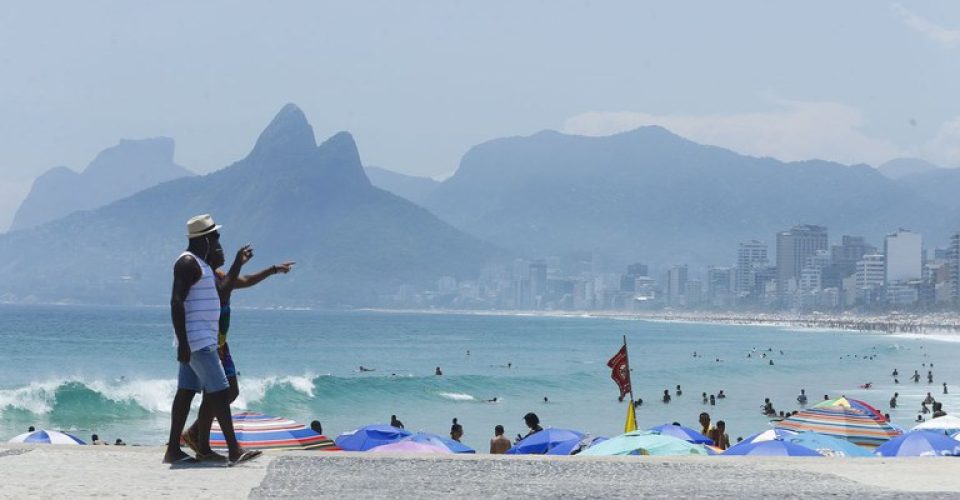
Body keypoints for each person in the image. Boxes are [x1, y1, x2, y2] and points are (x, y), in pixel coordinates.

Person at [182, 237, 294, 458]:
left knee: (224, 392)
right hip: (210, 343)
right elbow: (223, 291)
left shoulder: (221, 275)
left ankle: (197, 436)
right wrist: (237, 263)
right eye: (218, 249)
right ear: (209, 255)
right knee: (222, 392)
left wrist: (272, 270)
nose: (222, 252)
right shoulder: (208, 279)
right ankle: (202, 441)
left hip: (222, 344)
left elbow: (244, 280)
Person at [163, 214, 260, 465]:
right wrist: (183, 343)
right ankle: (234, 450)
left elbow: (222, 289)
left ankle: (174, 450)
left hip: (200, 340)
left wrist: (238, 262)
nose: (217, 239)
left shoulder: (202, 266)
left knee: (186, 393)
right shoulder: (187, 263)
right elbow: (176, 302)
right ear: (203, 238)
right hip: (197, 342)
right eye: (214, 236)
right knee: (221, 391)